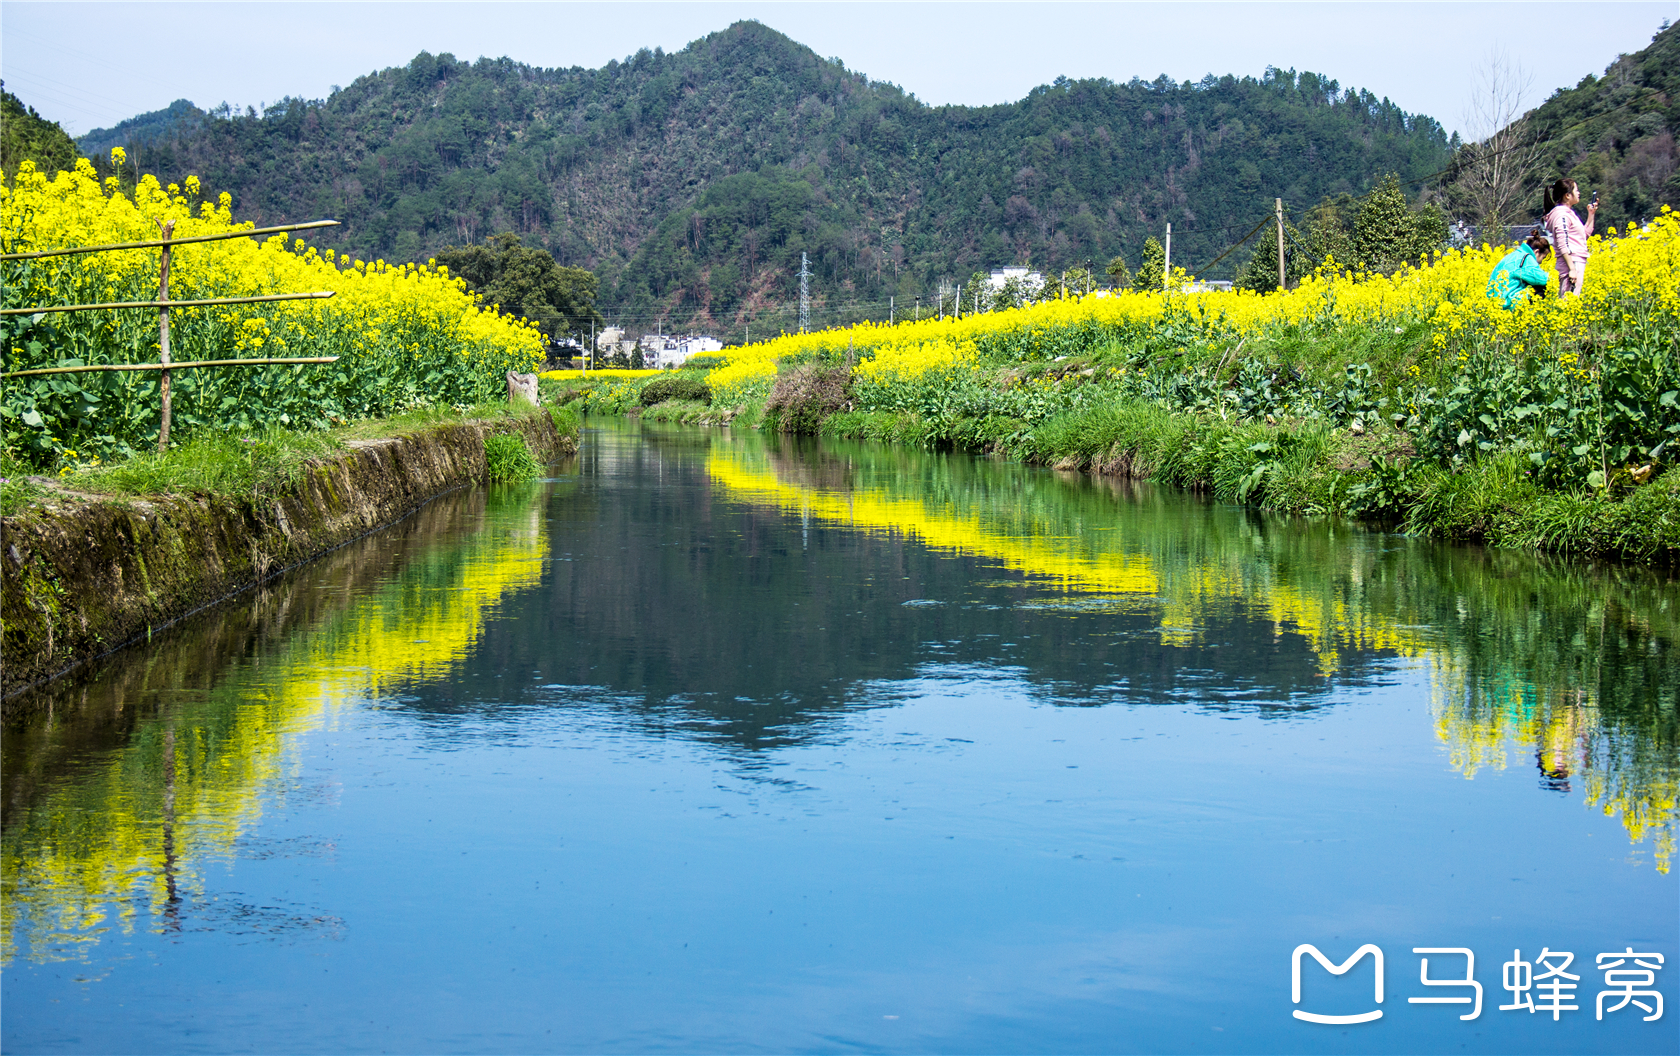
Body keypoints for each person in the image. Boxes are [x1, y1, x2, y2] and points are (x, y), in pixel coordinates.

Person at [1542, 177, 1596, 295]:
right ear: (1567, 195)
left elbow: (1584, 235)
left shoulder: (1568, 214)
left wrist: (1591, 214)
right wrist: (1572, 269)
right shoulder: (1562, 215)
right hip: (1571, 263)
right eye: (1576, 190)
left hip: (1575, 262)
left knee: (1571, 301)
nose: (1579, 193)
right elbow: (1562, 244)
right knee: (1568, 301)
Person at [1487, 229, 1553, 309]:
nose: (1541, 262)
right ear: (1536, 252)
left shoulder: (1515, 254)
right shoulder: (1526, 258)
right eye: (1543, 258)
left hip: (1493, 301)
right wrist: (1556, 278)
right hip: (1507, 302)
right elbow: (1543, 279)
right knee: (1544, 287)